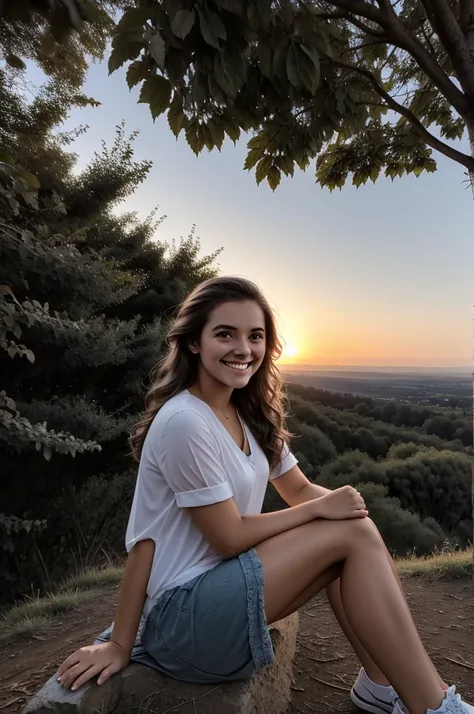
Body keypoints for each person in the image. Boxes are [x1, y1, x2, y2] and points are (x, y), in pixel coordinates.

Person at [57, 276, 473, 714]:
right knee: (347, 535)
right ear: (194, 343)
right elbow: (222, 537)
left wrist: (348, 508)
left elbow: (298, 490)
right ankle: (436, 707)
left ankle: (380, 687)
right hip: (184, 619)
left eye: (255, 336)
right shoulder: (185, 421)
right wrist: (120, 643)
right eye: (225, 334)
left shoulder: (249, 415)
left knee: (354, 529)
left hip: (221, 590)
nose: (243, 349)